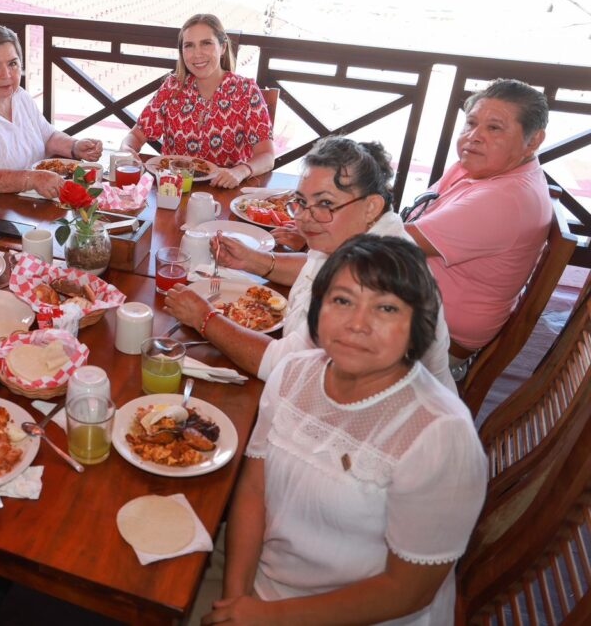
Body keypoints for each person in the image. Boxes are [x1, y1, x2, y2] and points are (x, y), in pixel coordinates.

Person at [204, 235, 486, 626]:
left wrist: (269, 618)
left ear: (418, 326)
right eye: (342, 300)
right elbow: (253, 491)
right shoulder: (292, 375)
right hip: (262, 586)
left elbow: (408, 590)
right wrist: (235, 600)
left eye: (386, 308)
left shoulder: (440, 436)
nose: (357, 324)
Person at [165, 136, 455, 390]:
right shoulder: (358, 233)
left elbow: (283, 368)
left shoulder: (380, 278)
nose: (304, 218)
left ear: (371, 206)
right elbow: (315, 266)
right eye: (301, 202)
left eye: (326, 203)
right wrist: (254, 261)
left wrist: (204, 318)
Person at [404, 78, 551, 357]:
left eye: (494, 128)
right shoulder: (479, 166)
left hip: (430, 339)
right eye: (471, 124)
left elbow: (388, 242)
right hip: (411, 300)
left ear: (533, 140)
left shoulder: (505, 200)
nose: (474, 137)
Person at [0, 25, 103, 200]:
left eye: (13, 63)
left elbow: (47, 137)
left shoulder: (18, 96)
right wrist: (32, 179)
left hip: (30, 204)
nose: (7, 74)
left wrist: (75, 147)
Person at [119, 14, 274, 189]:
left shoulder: (246, 91)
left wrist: (241, 171)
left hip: (224, 193)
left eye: (206, 43)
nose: (197, 54)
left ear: (222, 47)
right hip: (171, 191)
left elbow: (267, 155)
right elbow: (135, 136)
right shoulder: (172, 88)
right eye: (189, 46)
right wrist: (126, 149)